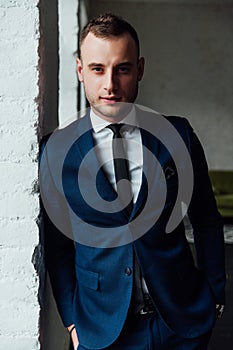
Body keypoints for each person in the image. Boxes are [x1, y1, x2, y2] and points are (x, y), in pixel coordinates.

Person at [40, 13, 226, 350]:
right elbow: (57, 244)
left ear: (139, 69)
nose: (110, 84)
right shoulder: (55, 150)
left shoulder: (178, 136)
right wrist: (71, 319)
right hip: (103, 331)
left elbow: (207, 221)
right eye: (98, 69)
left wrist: (214, 296)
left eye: (122, 69)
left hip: (181, 324)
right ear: (81, 71)